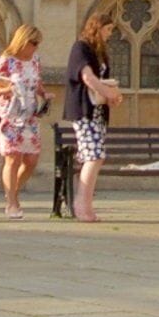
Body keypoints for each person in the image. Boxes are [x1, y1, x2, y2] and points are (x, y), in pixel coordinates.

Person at [62, 16, 119, 223]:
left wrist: (109, 96)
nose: (109, 34)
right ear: (98, 28)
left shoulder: (98, 52)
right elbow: (87, 78)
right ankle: (81, 204)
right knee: (94, 156)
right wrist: (108, 92)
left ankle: (85, 204)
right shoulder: (81, 48)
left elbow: (100, 80)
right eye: (108, 29)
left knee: (95, 156)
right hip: (84, 112)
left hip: (97, 112)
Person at [0, 24, 47, 218]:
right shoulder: (7, 61)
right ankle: (12, 203)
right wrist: (7, 90)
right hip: (11, 116)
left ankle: (12, 192)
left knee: (31, 160)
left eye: (37, 44)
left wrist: (44, 94)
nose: (35, 47)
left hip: (30, 116)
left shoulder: (35, 60)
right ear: (22, 41)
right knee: (13, 158)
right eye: (33, 43)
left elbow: (37, 83)